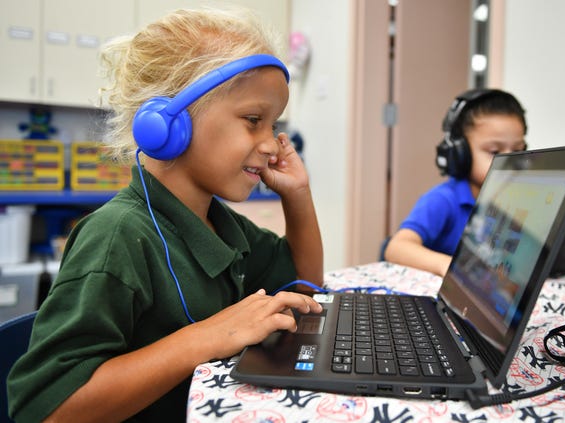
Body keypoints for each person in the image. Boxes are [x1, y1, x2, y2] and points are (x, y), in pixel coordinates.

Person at [7, 7, 324, 422]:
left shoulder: (219, 224)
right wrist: (206, 337)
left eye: (273, 124)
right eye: (253, 120)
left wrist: (298, 196)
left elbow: (305, 286)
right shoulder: (117, 236)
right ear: (169, 123)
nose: (271, 144)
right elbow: (46, 408)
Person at [384, 89, 527, 276]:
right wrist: (448, 265)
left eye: (518, 151)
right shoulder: (443, 200)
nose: (509, 162)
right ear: (461, 154)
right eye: (495, 151)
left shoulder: (513, 201)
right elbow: (396, 247)